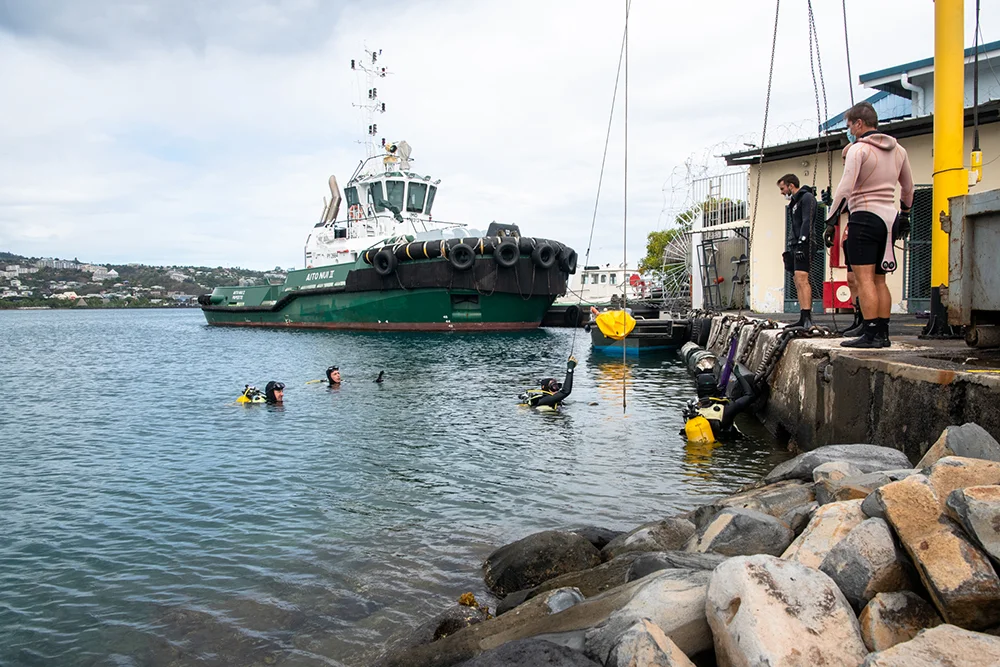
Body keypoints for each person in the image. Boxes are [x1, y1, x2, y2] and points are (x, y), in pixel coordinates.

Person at [826, 101, 914, 348]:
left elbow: (846, 187)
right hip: (890, 218)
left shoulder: (858, 150)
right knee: (880, 280)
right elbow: (908, 188)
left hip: (864, 216)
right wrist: (905, 214)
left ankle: (870, 333)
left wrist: (831, 221)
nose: (849, 130)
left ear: (859, 123)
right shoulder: (899, 151)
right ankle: (884, 334)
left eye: (849, 125)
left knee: (864, 279)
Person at [777, 174, 817, 329]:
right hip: (794, 244)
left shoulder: (806, 198)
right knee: (796, 280)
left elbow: (808, 220)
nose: (782, 192)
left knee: (802, 278)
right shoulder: (794, 202)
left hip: (804, 243)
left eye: (783, 188)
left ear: (791, 185)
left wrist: (802, 241)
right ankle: (802, 316)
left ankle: (808, 318)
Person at [682, 366, 758, 443]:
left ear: (698, 389)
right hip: (728, 446)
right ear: (715, 388)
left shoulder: (691, 409)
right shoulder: (727, 408)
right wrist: (738, 375)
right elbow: (750, 395)